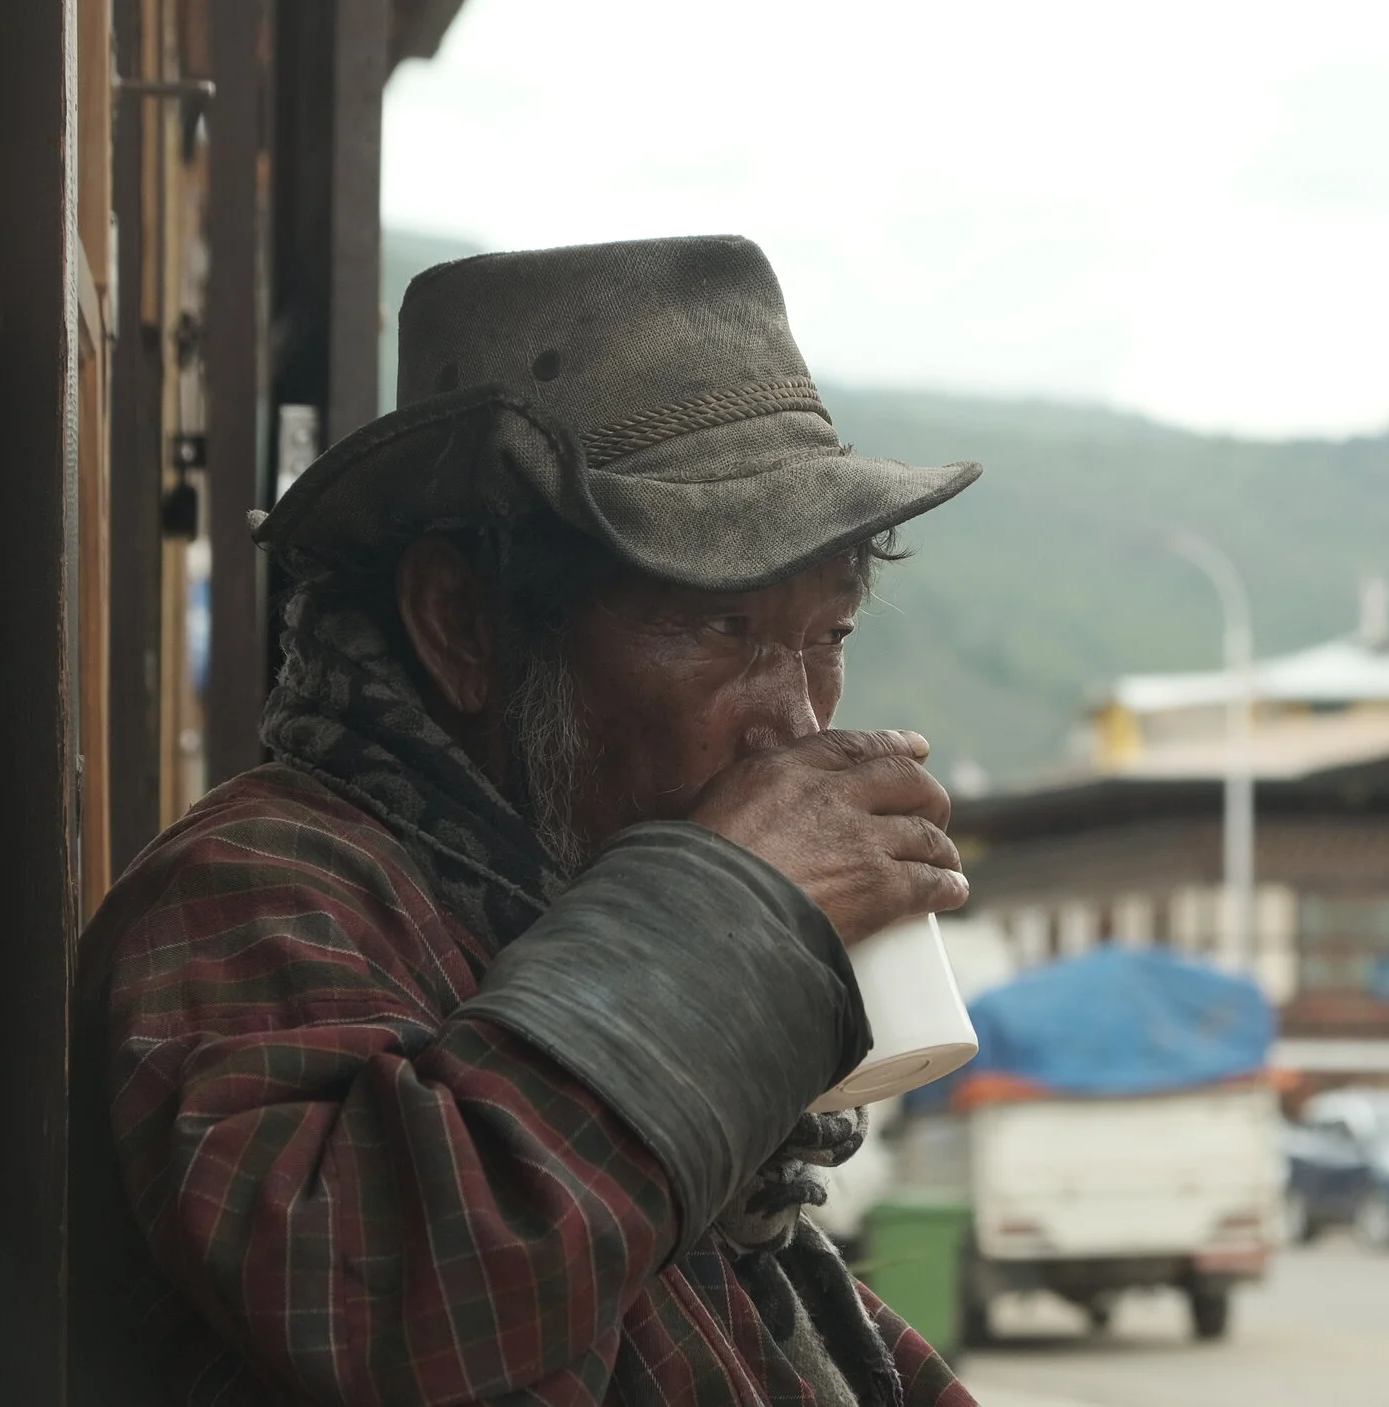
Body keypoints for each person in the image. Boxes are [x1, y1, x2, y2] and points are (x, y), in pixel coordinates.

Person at [72, 236, 984, 1405]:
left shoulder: (538, 896)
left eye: (827, 637)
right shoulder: (259, 890)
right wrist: (728, 920)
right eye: (720, 630)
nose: (792, 722)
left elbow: (768, 1334)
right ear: (461, 624)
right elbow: (382, 1302)